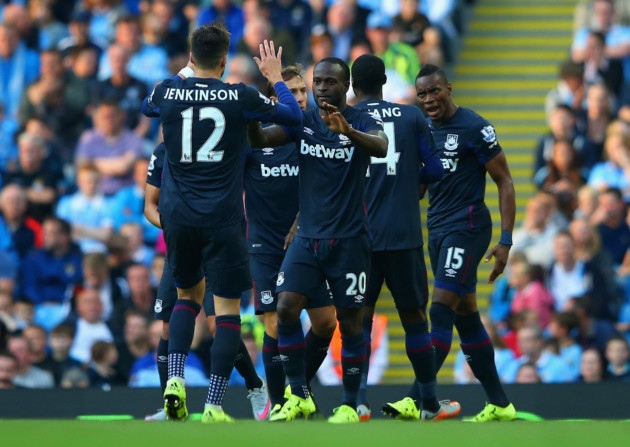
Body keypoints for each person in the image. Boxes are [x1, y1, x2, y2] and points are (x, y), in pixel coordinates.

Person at [141, 27, 302, 423]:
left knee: (185, 299)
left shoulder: (167, 91)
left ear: (191, 56)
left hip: (177, 216)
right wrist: (275, 78)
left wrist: (184, 72)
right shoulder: (239, 95)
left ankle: (174, 381)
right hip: (224, 219)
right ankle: (214, 404)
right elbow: (294, 116)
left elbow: (148, 106)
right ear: (226, 58)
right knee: (227, 311)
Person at [247, 56, 388, 423]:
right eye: (318, 81)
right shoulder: (304, 121)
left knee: (350, 323)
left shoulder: (360, 120)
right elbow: (262, 138)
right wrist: (249, 117)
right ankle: (298, 394)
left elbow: (382, 146)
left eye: (330, 82)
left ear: (347, 87)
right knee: (286, 307)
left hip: (349, 241)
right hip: (307, 240)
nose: (323, 87)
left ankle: (351, 402)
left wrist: (349, 134)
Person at [385, 64, 517, 422]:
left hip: (469, 226)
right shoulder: (422, 129)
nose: (428, 99)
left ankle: (417, 398)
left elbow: (504, 181)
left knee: (441, 308)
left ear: (449, 88)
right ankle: (501, 404)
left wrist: (505, 241)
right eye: (422, 94)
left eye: (434, 91)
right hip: (438, 231)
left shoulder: (475, 127)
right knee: (466, 317)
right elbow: (422, 187)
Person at [349, 54, 458, 422]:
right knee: (414, 320)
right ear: (384, 80)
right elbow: (438, 168)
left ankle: (357, 402)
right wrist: (411, 181)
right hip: (404, 235)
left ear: (353, 84)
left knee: (359, 321)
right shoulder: (411, 116)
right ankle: (428, 402)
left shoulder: (345, 120)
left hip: (359, 238)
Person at [142, 142, 271, 422]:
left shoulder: (223, 146)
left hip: (217, 242)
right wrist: (177, 228)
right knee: (165, 326)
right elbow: (149, 206)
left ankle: (253, 385)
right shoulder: (165, 152)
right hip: (182, 243)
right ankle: (171, 405)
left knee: (218, 321)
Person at [244, 66, 337, 419]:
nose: (300, 98)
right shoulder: (258, 140)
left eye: (302, 91)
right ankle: (282, 402)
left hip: (308, 242)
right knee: (275, 322)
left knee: (327, 322)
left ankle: (295, 387)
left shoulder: (312, 134)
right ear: (274, 99)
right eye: (291, 92)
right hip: (265, 246)